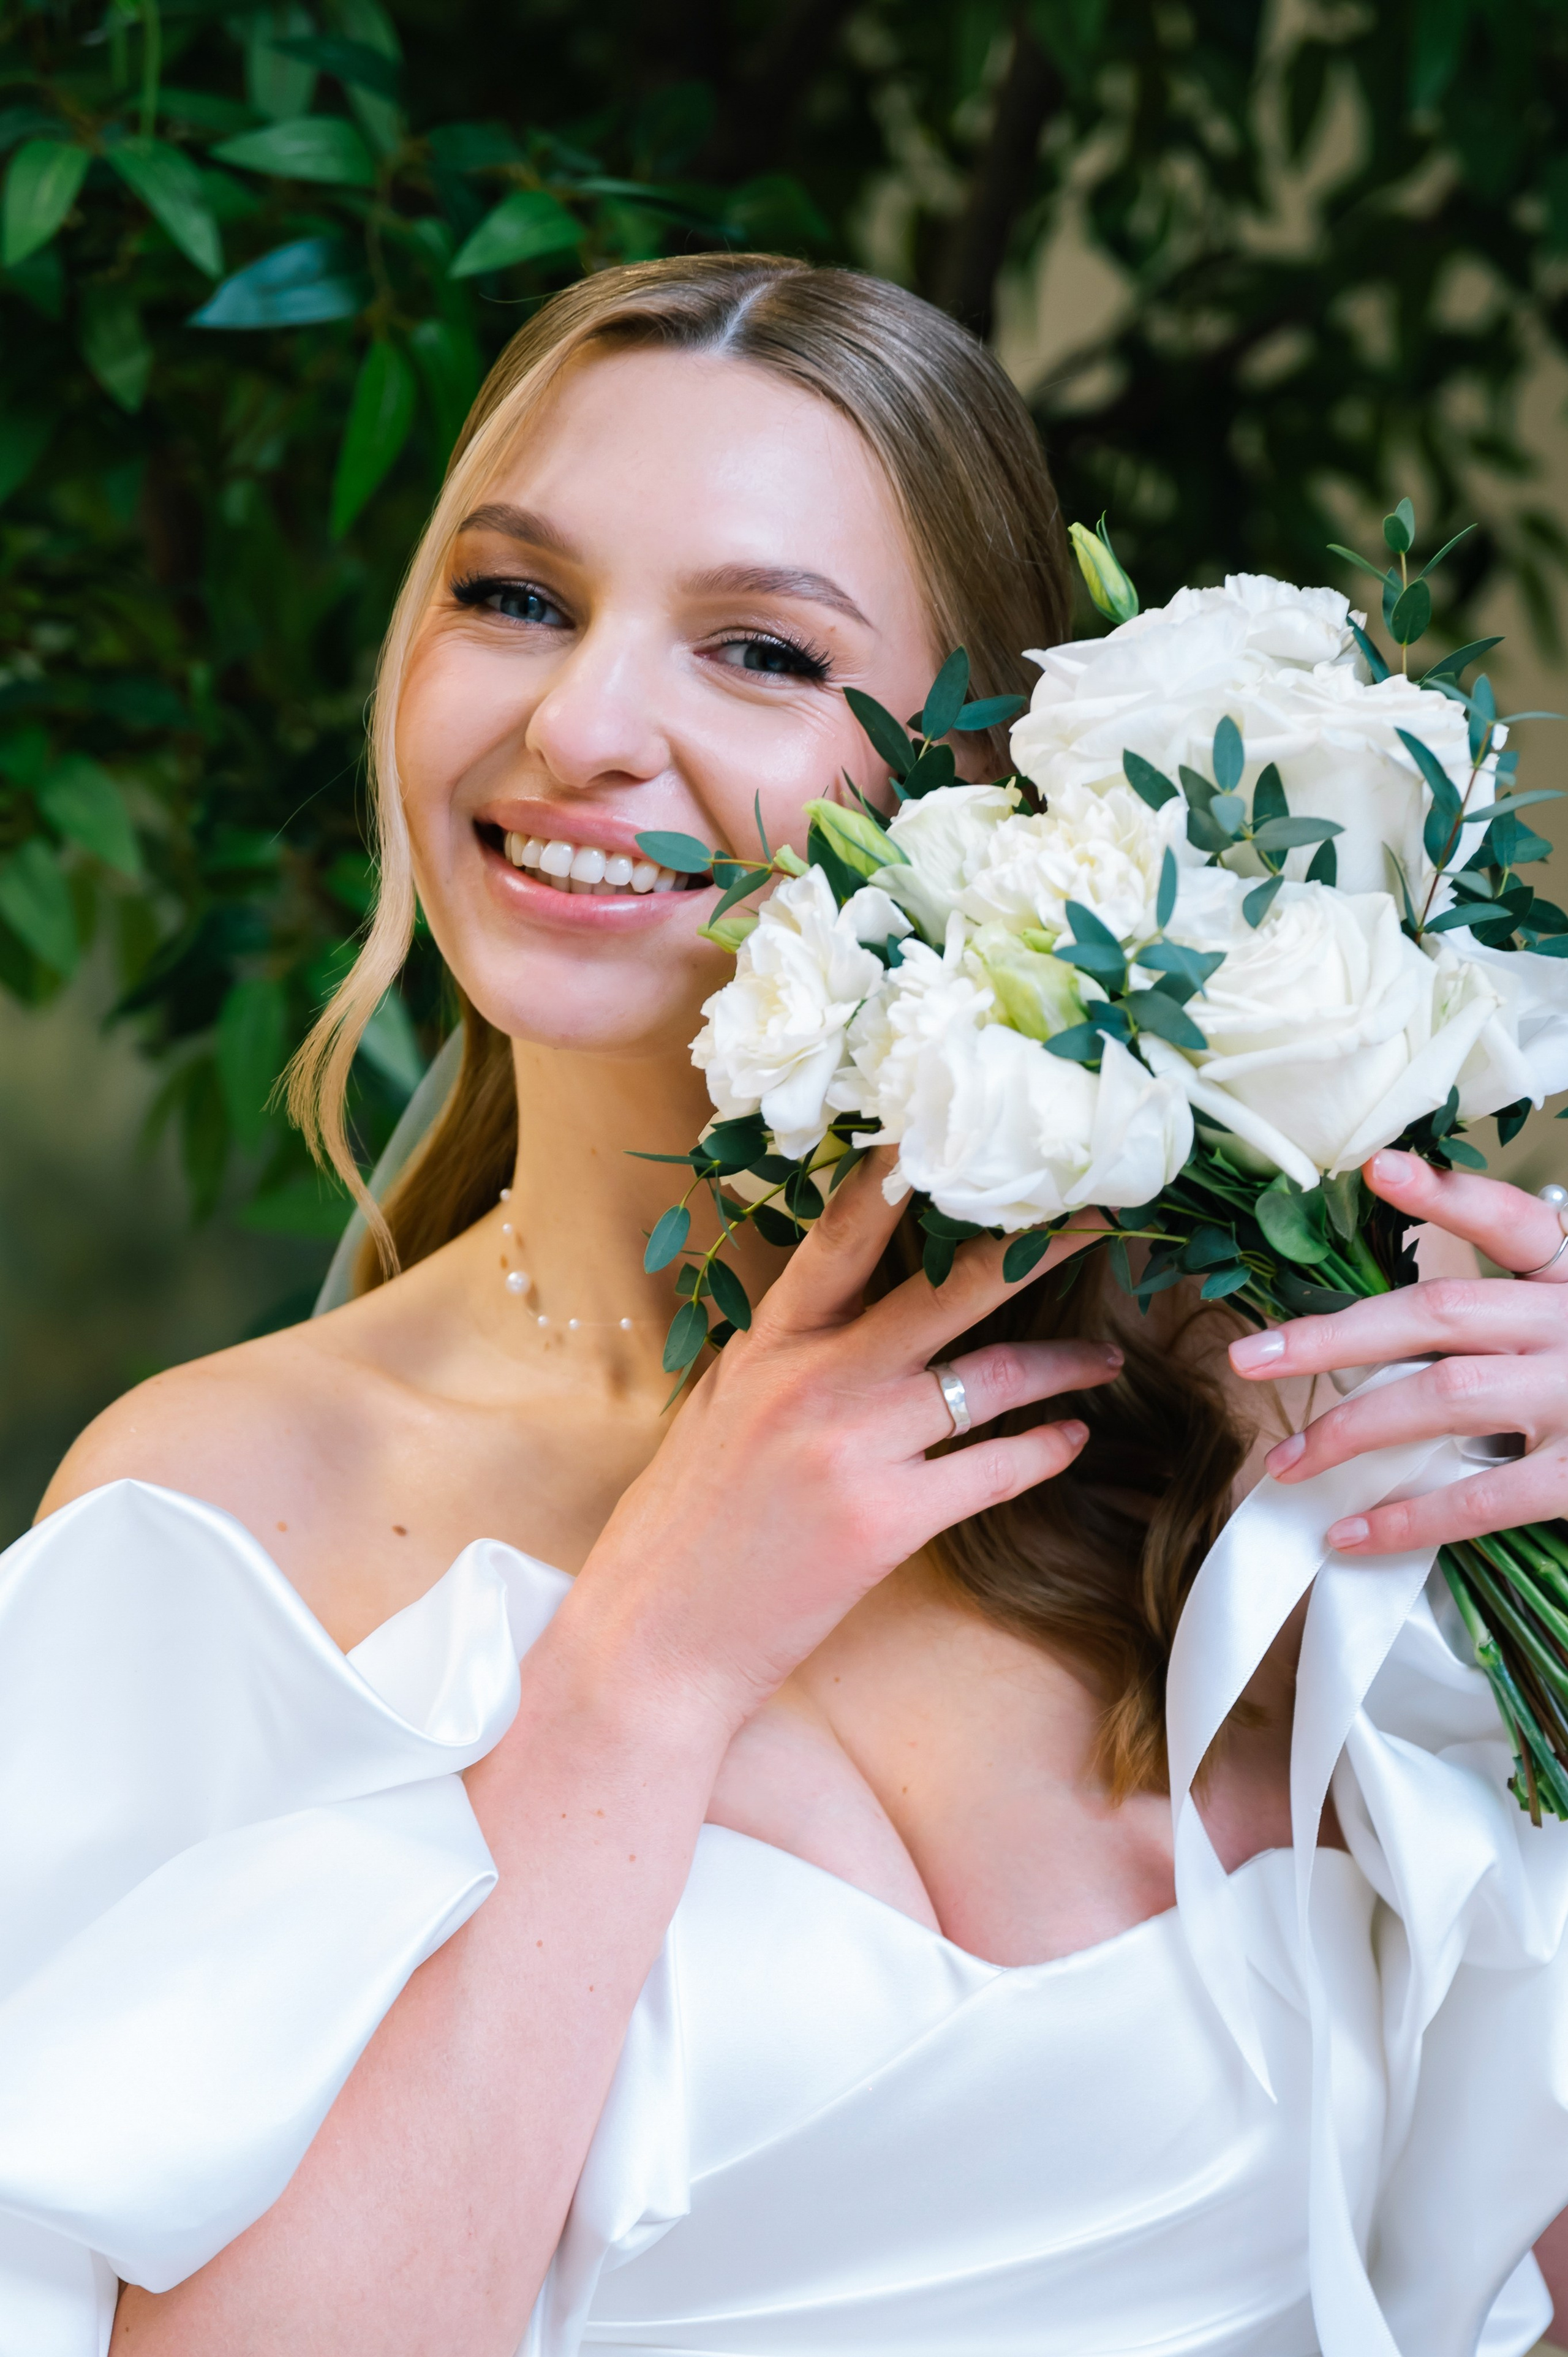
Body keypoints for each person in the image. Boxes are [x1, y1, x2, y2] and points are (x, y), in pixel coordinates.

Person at [8, 252, 1568, 2357]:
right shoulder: (225, 1511)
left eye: (757, 648)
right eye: (515, 597)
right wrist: (647, 1663)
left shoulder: (1286, 1401)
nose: (578, 727)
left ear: (995, 773)